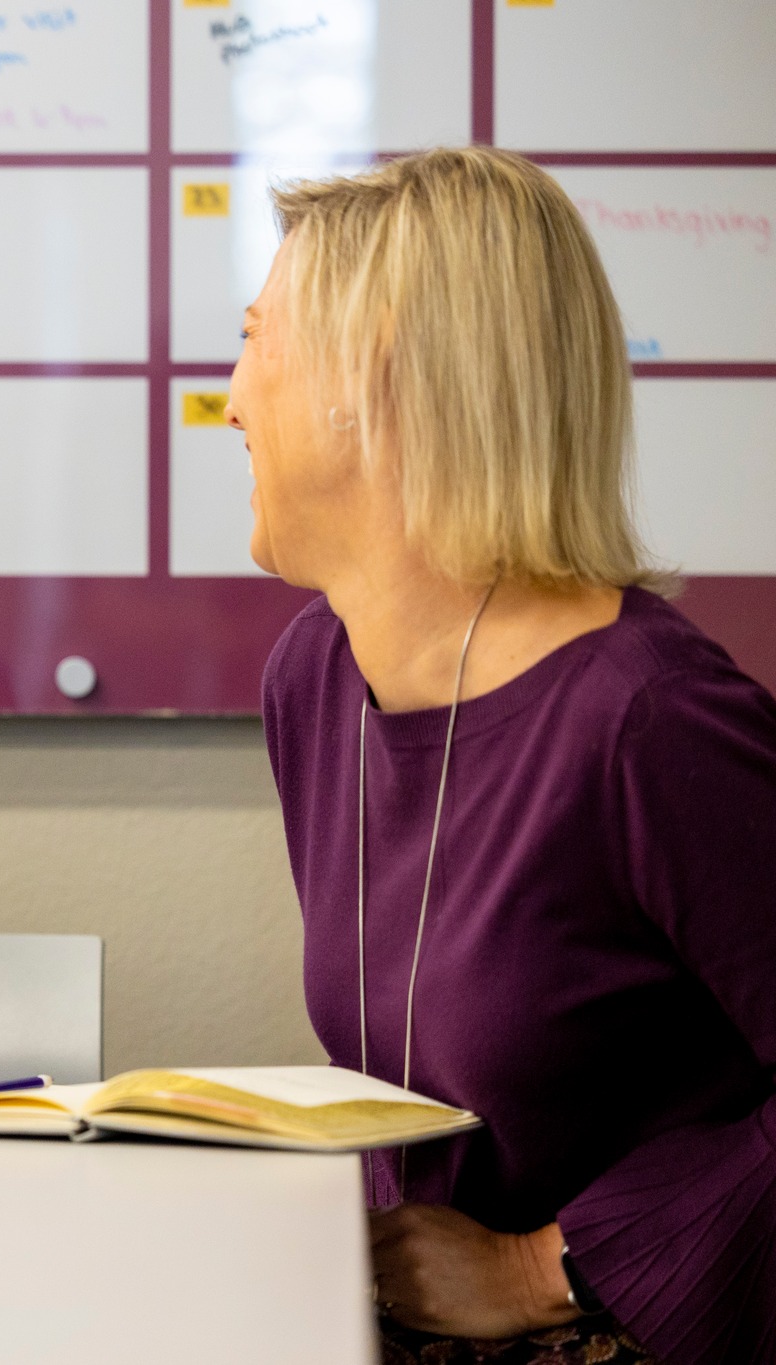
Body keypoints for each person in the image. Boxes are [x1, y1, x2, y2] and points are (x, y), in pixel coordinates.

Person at [229, 147, 776, 1364]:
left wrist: (547, 1265)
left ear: (371, 381)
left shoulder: (650, 719)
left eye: (254, 339)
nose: (226, 397)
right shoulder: (314, 677)